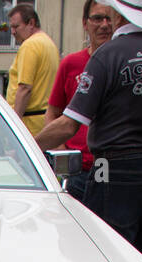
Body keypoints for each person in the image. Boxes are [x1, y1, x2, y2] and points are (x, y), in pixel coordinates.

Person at [36, 0, 142, 262]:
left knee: (108, 260)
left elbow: (68, 124)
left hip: (114, 169)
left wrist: (27, 146)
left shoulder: (106, 56)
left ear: (118, 14)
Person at [42, 1, 116, 201]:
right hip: (77, 169)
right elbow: (52, 112)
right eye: (97, 18)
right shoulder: (71, 64)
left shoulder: (123, 63)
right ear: (85, 23)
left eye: (109, 18)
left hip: (112, 169)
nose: (104, 25)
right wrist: (62, 152)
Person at [7, 3, 60, 136]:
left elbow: (25, 88)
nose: (12, 32)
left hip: (28, 123)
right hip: (44, 120)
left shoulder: (30, 45)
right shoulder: (49, 44)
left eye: (16, 27)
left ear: (31, 23)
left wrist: (14, 124)